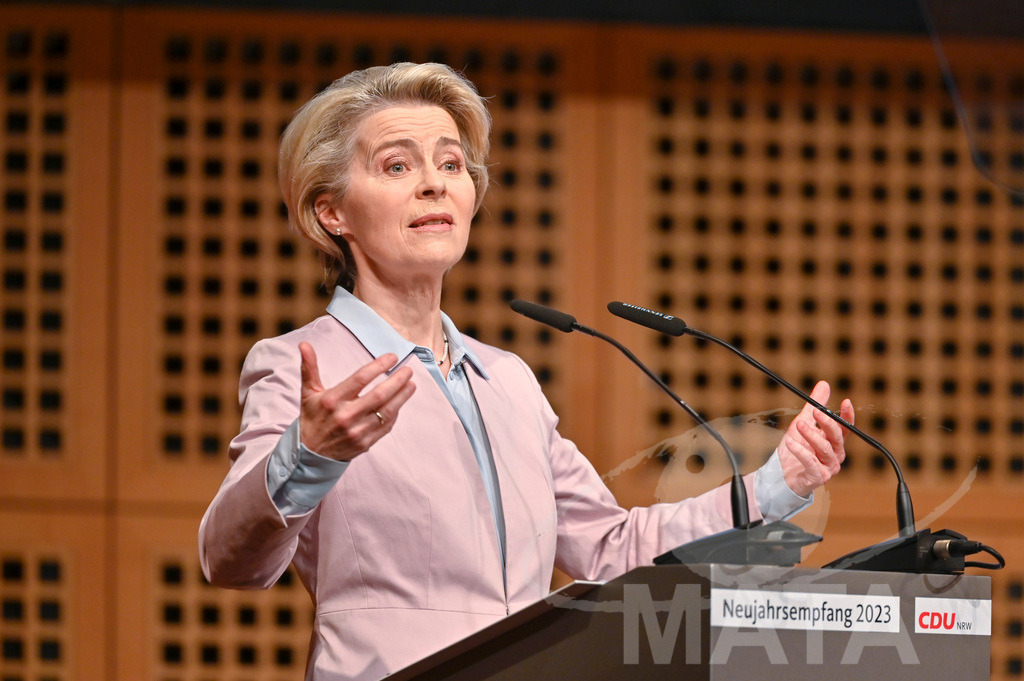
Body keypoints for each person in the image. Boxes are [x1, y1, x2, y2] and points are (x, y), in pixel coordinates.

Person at [198, 62, 854, 681]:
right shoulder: (301, 365)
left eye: (451, 163)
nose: (434, 183)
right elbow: (230, 560)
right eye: (397, 165)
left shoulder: (507, 379)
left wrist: (781, 481)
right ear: (330, 212)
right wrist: (308, 454)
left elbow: (614, 549)